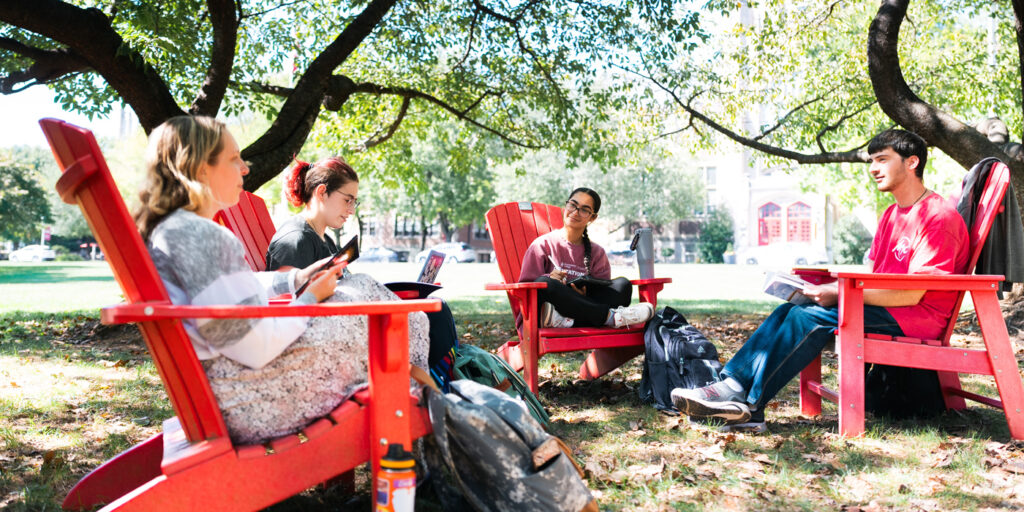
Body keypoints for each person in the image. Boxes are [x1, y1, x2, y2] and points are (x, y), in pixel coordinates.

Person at [134, 116, 430, 444]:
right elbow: (256, 346)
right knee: (387, 311)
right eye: (234, 158)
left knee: (367, 294)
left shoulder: (175, 230)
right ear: (202, 168)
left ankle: (429, 398)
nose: (245, 168)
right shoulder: (199, 236)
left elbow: (231, 293)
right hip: (252, 400)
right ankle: (429, 409)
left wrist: (296, 281)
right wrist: (308, 298)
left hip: (231, 389)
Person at [671, 129, 969, 432]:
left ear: (912, 162)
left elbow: (913, 294)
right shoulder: (892, 215)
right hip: (889, 307)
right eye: (871, 161)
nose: (873, 168)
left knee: (806, 318)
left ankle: (747, 407)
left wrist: (840, 293)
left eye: (882, 159)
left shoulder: (937, 217)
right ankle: (730, 386)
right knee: (789, 310)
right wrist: (815, 288)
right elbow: (870, 274)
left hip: (916, 318)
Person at [265, 157, 457, 391]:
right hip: (324, 344)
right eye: (347, 200)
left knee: (434, 309)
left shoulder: (321, 238)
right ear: (322, 192)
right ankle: (434, 391)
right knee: (433, 316)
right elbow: (295, 310)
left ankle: (438, 388)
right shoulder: (295, 241)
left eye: (354, 202)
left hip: (343, 326)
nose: (351, 210)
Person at [518, 187, 655, 329]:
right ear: (566, 205)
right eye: (572, 205)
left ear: (593, 217)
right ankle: (610, 317)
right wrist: (551, 278)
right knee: (545, 283)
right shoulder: (542, 245)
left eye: (584, 209)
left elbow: (603, 291)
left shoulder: (597, 252)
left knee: (622, 286)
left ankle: (564, 321)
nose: (575, 212)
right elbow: (524, 289)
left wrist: (583, 295)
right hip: (544, 311)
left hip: (578, 311)